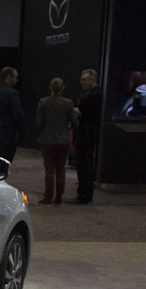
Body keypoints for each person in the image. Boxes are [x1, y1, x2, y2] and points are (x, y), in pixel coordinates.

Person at [35, 77, 78, 205]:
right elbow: (75, 122)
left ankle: (48, 196)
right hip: (63, 140)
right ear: (63, 88)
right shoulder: (68, 103)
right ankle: (59, 197)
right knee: (61, 169)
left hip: (47, 139)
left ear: (50, 87)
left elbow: (38, 123)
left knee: (49, 170)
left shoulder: (43, 102)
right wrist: (68, 127)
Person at [73, 68, 102, 204]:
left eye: (84, 79)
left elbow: (81, 111)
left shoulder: (95, 94)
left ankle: (85, 194)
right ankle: (83, 193)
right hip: (84, 134)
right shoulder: (89, 94)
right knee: (83, 164)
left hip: (87, 134)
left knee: (85, 164)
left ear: (92, 79)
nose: (81, 82)